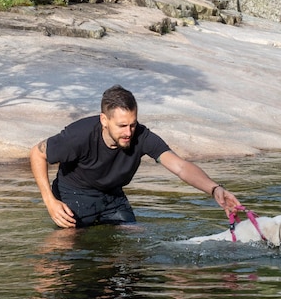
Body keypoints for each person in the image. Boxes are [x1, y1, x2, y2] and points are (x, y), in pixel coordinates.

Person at [30, 85, 242, 228]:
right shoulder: (78, 135)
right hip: (74, 194)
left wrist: (215, 189)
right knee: (67, 252)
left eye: (133, 124)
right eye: (122, 126)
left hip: (112, 197)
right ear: (104, 120)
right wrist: (50, 201)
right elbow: (37, 154)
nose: (129, 132)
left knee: (135, 242)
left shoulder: (141, 136)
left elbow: (180, 167)